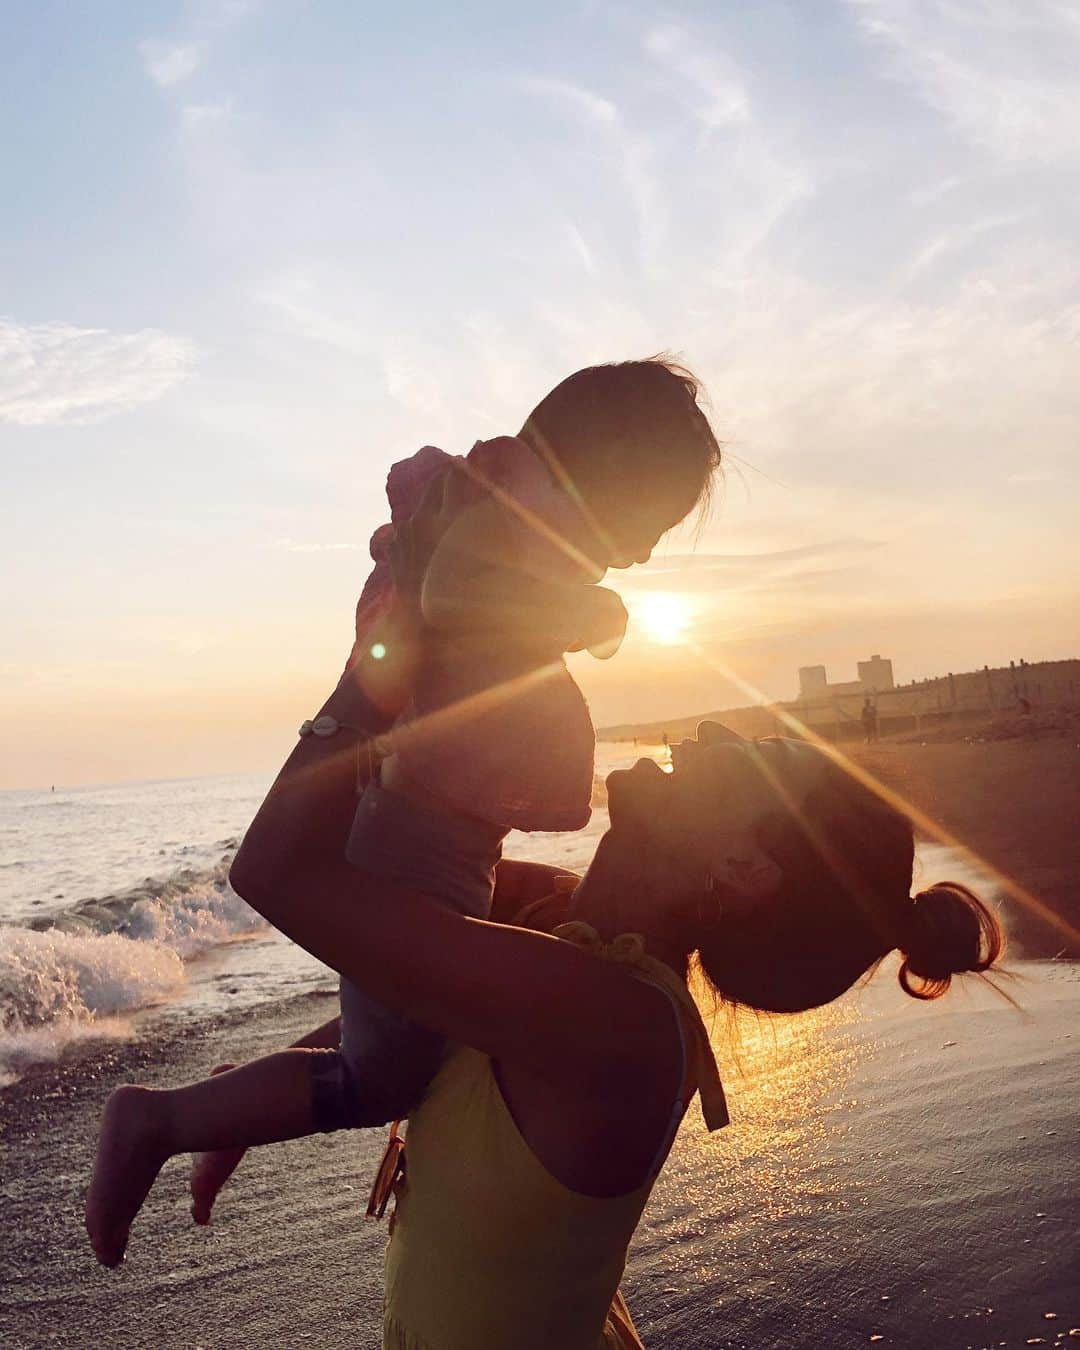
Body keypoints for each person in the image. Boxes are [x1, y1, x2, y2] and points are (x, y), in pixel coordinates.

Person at [87, 697, 1004, 1349]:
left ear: (744, 866)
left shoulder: (618, 1028)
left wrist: (372, 686)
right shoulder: (562, 931)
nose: (713, 732)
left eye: (754, 753)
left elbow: (282, 875)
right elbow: (415, 1009)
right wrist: (244, 1101)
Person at [85, 358, 722, 1266]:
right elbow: (451, 597)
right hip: (415, 828)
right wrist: (582, 611)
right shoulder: (506, 516)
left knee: (422, 1006)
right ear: (607, 474)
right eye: (649, 521)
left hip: (437, 827)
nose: (648, 551)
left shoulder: (516, 514)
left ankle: (227, 1107)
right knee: (378, 1078)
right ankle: (160, 1119)